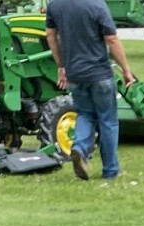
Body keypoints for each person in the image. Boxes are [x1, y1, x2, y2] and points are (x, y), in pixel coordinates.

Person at [46, 0, 135, 181]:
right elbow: (111, 39)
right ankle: (110, 170)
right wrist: (126, 70)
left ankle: (79, 148)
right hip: (99, 73)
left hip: (75, 75)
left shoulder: (55, 5)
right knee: (108, 120)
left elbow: (50, 36)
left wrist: (61, 65)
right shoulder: (97, 5)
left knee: (85, 114)